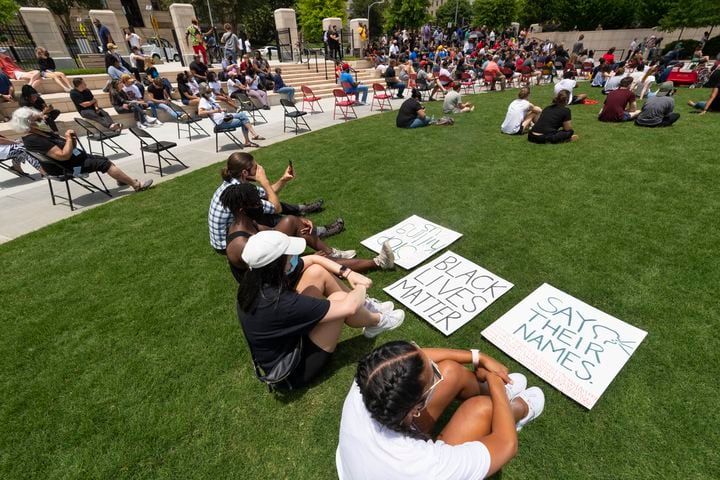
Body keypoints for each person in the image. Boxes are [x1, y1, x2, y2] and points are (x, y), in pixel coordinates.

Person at [336, 340, 544, 479]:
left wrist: (476, 356)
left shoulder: (370, 380)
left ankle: (496, 397)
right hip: (404, 470)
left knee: (451, 372)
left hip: (368, 465)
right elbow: (506, 445)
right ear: (415, 408)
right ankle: (518, 410)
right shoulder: (426, 466)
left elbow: (418, 356)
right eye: (433, 376)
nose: (436, 371)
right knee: (482, 408)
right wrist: (495, 381)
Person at [233, 230, 404, 389]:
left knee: (316, 272)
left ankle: (367, 307)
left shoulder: (257, 277)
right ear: (277, 264)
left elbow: (313, 260)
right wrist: (360, 286)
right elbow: (349, 307)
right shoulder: (280, 303)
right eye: (289, 254)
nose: (295, 255)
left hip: (286, 341)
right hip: (292, 369)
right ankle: (378, 321)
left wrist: (348, 273)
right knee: (340, 301)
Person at [208, 152, 333, 254]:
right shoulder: (241, 192)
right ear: (245, 173)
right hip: (229, 244)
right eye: (255, 167)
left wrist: (283, 180)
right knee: (276, 217)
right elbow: (276, 207)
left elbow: (268, 194)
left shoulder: (234, 182)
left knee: (268, 207)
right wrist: (264, 181)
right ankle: (316, 231)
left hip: (229, 235)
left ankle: (303, 210)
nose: (259, 170)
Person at [12, 107, 152, 191]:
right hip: (67, 168)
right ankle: (136, 185)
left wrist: (72, 140)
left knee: (103, 159)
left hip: (74, 158)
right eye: (38, 120)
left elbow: (70, 148)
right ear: (28, 124)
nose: (42, 121)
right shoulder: (34, 140)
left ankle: (122, 180)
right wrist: (67, 139)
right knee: (105, 164)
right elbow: (63, 156)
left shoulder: (42, 132)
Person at [197, 83, 264, 147]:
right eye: (208, 92)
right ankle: (249, 140)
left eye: (210, 91)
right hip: (221, 123)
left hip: (226, 117)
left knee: (242, 115)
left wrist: (223, 106)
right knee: (244, 121)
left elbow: (217, 101)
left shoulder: (210, 99)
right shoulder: (203, 101)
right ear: (204, 93)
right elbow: (200, 113)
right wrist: (216, 111)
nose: (210, 93)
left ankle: (253, 135)